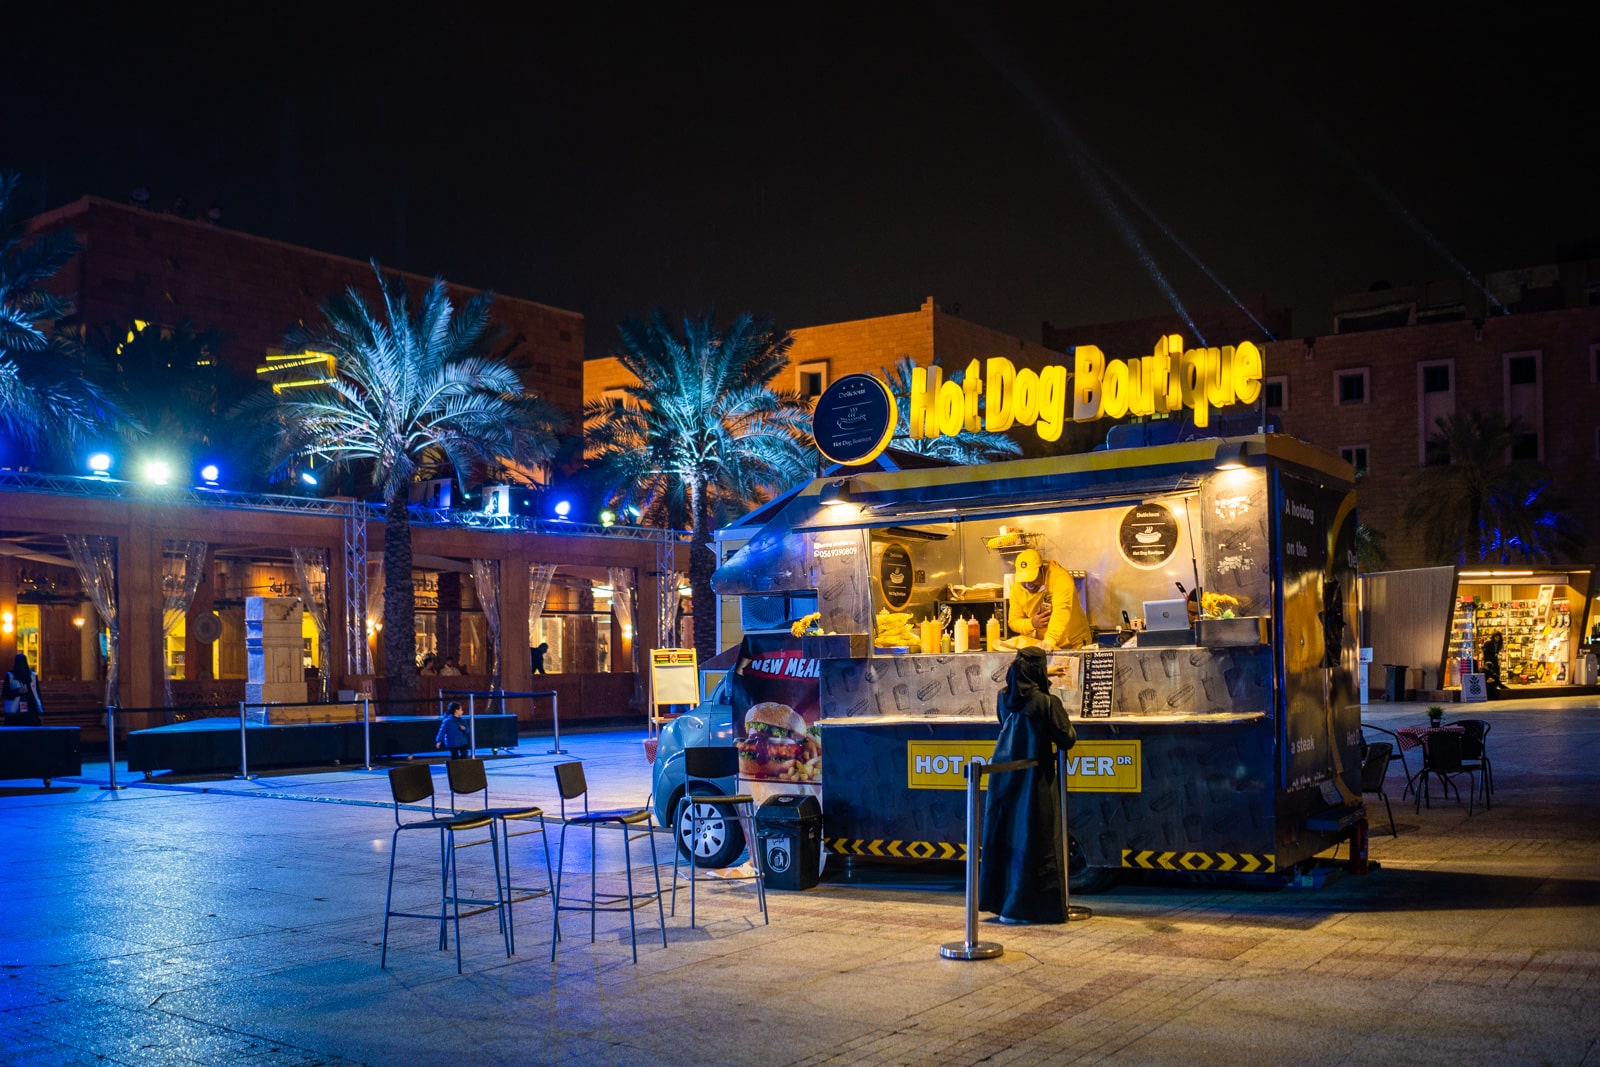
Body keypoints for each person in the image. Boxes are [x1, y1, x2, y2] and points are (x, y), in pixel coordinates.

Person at [978, 647, 1078, 924]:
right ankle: (1026, 908)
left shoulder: (1003, 697)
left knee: (1007, 838)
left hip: (1004, 777)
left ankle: (1004, 905)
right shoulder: (1047, 702)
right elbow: (1067, 738)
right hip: (1034, 781)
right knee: (1036, 841)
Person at [1006, 548, 1091, 651]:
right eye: (1024, 580)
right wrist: (1032, 623)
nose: (1028, 584)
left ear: (1042, 569)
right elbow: (1014, 621)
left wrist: (1049, 641)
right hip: (1044, 645)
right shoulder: (1017, 588)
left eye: (1033, 578)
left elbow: (1061, 610)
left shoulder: (1060, 578)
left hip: (1074, 644)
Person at [4, 653, 45, 726]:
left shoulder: (32, 675)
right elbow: (5, 694)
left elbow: (36, 693)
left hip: (31, 710)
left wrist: (40, 710)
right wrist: (17, 691)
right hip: (14, 712)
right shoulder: (10, 675)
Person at [1482, 630, 1504, 697]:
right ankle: (1491, 685)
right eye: (1496, 637)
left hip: (1494, 659)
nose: (1497, 639)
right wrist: (1486, 660)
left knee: (1497, 671)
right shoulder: (1489, 643)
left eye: (1498, 638)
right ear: (1494, 637)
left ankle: (1496, 683)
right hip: (1489, 659)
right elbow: (1484, 651)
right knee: (1489, 672)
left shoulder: (1498, 644)